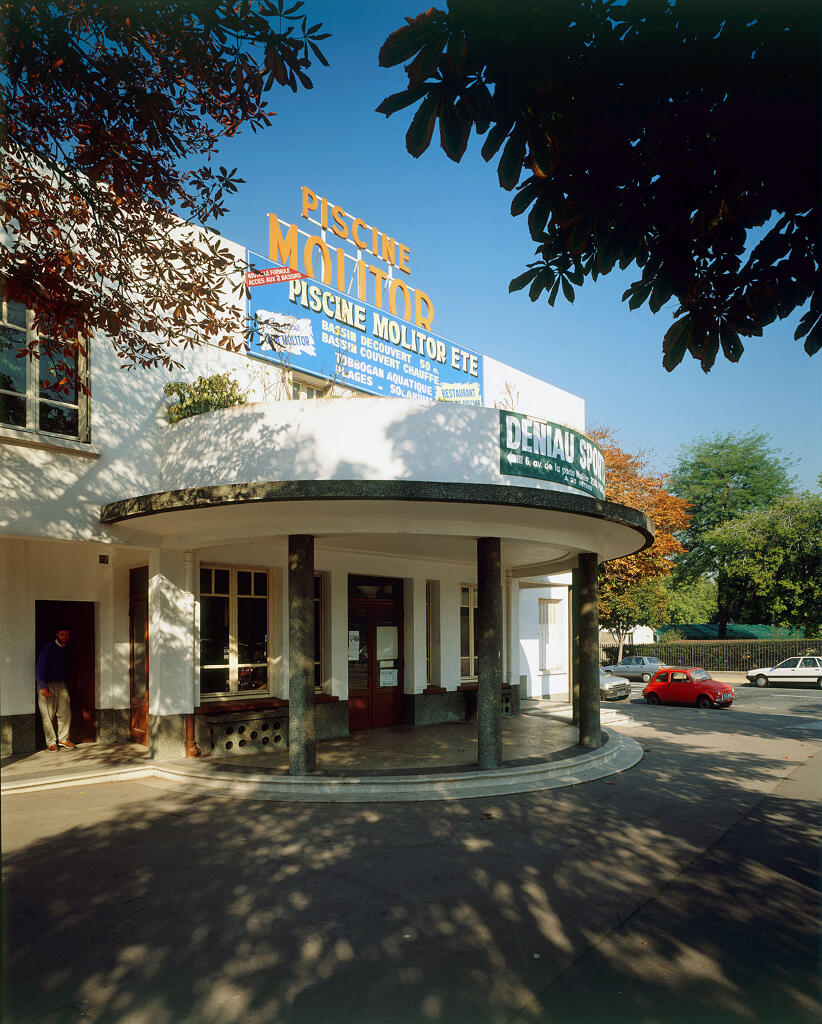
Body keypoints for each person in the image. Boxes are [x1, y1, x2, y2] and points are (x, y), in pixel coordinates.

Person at [35, 627, 76, 751]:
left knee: (65, 712)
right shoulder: (48, 648)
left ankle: (63, 739)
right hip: (47, 684)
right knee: (47, 714)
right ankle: (51, 743)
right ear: (57, 634)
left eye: (67, 635)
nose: (64, 637)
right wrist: (43, 686)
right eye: (62, 634)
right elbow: (39, 668)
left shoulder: (65, 649)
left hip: (60, 683)